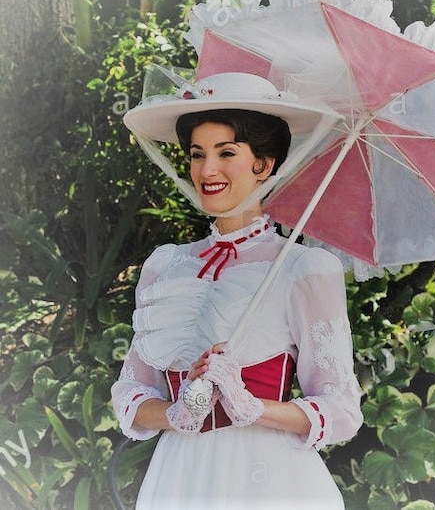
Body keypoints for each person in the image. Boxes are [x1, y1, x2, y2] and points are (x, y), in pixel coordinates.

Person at [111, 71, 363, 509]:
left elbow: (341, 409)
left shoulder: (304, 269)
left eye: (226, 152)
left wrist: (250, 406)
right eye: (197, 154)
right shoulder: (166, 266)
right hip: (180, 476)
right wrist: (175, 413)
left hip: (270, 480)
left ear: (262, 165)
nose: (207, 170)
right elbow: (133, 392)